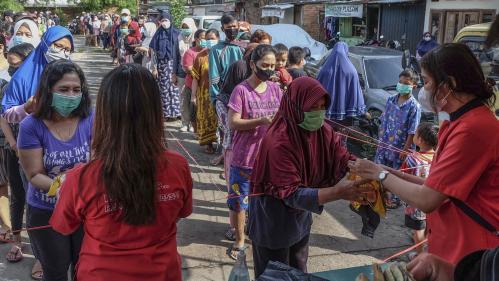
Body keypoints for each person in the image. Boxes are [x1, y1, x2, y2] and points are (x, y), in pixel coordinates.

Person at [349, 43, 499, 266]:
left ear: (450, 84)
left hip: (472, 252)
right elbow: (434, 185)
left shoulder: (473, 129)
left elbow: (427, 199)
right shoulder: (457, 123)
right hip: (451, 244)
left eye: (427, 81)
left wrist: (381, 175)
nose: (424, 90)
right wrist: (390, 173)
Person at [50, 63, 192, 281]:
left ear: (105, 114)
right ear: (155, 111)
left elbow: (63, 226)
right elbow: (181, 212)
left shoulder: (81, 178)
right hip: (163, 273)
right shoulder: (178, 166)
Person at [248, 77, 365, 278]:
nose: (318, 113)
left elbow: (341, 156)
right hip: (273, 222)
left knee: (300, 270)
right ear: (295, 106)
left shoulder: (323, 131)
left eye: (322, 106)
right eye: (312, 107)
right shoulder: (279, 142)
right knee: (274, 275)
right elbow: (291, 194)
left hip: (300, 219)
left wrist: (364, 169)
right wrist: (337, 192)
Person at [17, 60, 93, 281]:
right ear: (48, 91)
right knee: (55, 272)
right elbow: (34, 174)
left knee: (85, 268)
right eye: (63, 89)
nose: (71, 95)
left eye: (76, 89)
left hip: (85, 210)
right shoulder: (31, 126)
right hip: (46, 211)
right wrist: (62, 187)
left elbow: (98, 162)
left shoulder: (91, 118)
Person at [226, 44, 283, 260]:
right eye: (264, 65)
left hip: (270, 159)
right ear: (252, 64)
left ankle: (261, 235)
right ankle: (240, 240)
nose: (269, 70)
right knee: (240, 202)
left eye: (272, 66)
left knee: (267, 201)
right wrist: (261, 121)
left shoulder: (276, 89)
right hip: (245, 158)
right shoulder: (241, 90)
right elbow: (233, 122)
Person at [217, 42, 259, 241]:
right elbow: (230, 126)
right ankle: (236, 230)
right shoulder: (227, 98)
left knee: (253, 194)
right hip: (234, 151)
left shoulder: (260, 92)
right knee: (236, 195)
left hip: (255, 152)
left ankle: (249, 226)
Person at [0, 43, 34, 264]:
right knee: (17, 196)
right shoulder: (6, 87)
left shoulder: (40, 84)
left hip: (36, 149)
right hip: (13, 148)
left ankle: (40, 252)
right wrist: (13, 144)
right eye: (10, 65)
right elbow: (3, 116)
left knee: (36, 198)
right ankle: (17, 241)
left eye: (16, 65)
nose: (12, 72)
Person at [2, 26, 73, 123]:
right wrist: (26, 108)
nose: (62, 52)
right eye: (58, 46)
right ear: (45, 43)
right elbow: (6, 114)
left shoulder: (72, 75)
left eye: (67, 50)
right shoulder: (22, 78)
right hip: (31, 134)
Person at [374, 69, 421, 208]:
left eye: (405, 83)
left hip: (400, 147)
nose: (401, 85)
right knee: (380, 168)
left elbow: (412, 131)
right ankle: (379, 193)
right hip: (385, 143)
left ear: (414, 86)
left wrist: (405, 150)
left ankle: (394, 199)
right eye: (400, 82)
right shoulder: (390, 100)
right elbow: (384, 120)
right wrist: (380, 139)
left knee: (396, 174)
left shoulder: (414, 106)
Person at [400, 122, 438, 254]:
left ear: (420, 140)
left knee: (418, 231)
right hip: (433, 201)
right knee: (427, 226)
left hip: (416, 201)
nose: (413, 136)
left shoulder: (412, 159)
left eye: (415, 134)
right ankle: (425, 250)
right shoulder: (438, 158)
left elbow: (402, 176)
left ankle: (420, 257)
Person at [317, 42, 365, 121]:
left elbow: (317, 89)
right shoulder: (352, 71)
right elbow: (356, 93)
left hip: (325, 115)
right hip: (346, 117)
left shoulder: (324, 70)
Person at [149, 11, 182, 121]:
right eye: (162, 20)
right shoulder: (158, 34)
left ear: (170, 21)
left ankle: (178, 113)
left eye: (166, 20)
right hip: (162, 66)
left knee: (175, 88)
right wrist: (154, 67)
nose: (164, 23)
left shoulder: (177, 33)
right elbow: (153, 51)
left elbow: (180, 51)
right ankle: (166, 113)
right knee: (164, 90)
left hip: (175, 64)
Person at [191, 29, 217, 154]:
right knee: (206, 119)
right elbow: (196, 78)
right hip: (204, 94)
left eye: (212, 38)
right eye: (207, 39)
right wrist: (193, 96)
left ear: (218, 39)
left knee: (219, 120)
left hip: (219, 93)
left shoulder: (221, 53)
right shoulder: (200, 56)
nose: (209, 41)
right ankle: (209, 144)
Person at [182, 29, 204, 135]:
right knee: (190, 106)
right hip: (191, 85)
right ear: (196, 39)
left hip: (205, 87)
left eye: (206, 38)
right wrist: (202, 74)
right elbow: (188, 68)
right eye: (202, 37)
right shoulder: (190, 52)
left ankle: (196, 127)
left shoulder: (210, 52)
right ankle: (186, 124)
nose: (204, 40)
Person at [178, 18, 198, 132]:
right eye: (183, 27)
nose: (185, 29)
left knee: (194, 100)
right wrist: (174, 73)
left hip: (195, 74)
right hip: (182, 73)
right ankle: (185, 123)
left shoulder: (198, 38)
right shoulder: (179, 38)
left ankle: (193, 123)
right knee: (184, 99)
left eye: (187, 27)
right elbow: (176, 56)